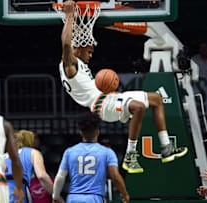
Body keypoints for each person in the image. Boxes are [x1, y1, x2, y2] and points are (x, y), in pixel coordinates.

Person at [59, 0, 187, 173]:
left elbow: (76, 38)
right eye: (89, 52)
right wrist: (69, 16)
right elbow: (67, 44)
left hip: (108, 98)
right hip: (101, 105)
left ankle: (166, 148)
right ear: (79, 49)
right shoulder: (69, 66)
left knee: (156, 99)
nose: (90, 55)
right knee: (139, 107)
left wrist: (78, 16)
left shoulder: (78, 62)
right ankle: (130, 156)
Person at [52, 112, 130, 203]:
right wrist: (125, 194)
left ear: (81, 133)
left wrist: (55, 197)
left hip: (74, 197)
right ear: (98, 132)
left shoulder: (69, 152)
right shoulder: (107, 152)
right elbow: (115, 176)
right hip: (95, 197)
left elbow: (60, 176)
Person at [4, 130, 64, 203]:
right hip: (16, 191)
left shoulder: (4, 155)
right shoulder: (33, 152)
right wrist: (57, 197)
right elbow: (42, 176)